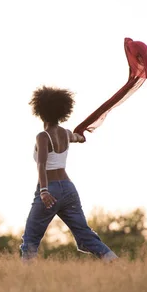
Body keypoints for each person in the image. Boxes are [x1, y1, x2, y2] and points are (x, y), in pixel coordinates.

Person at [20, 86, 119, 263]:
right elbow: (79, 138)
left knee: (30, 239)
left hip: (50, 190)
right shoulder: (65, 134)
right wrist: (81, 135)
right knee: (86, 237)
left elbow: (42, 165)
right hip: (68, 189)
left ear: (40, 111)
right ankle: (116, 263)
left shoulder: (42, 137)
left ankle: (26, 278)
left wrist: (43, 191)